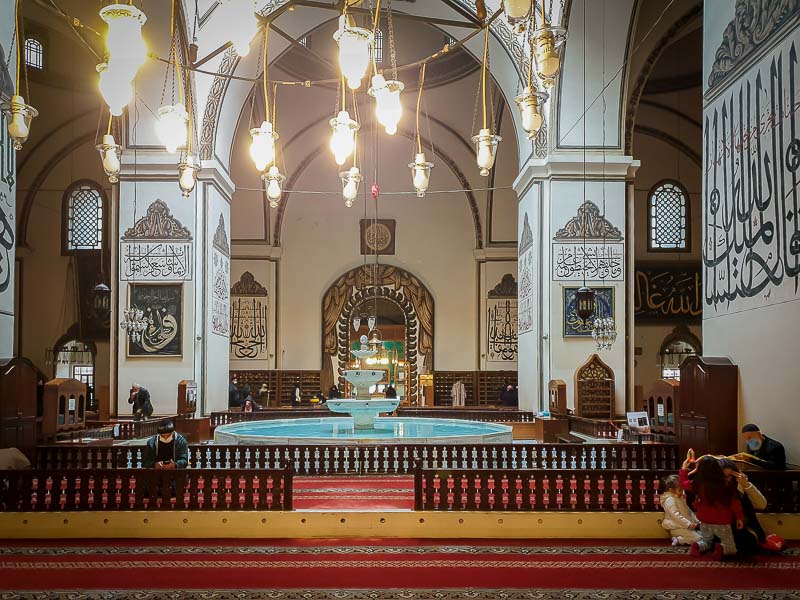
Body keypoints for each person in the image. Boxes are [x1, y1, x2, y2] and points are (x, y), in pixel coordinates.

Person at [679, 453, 744, 559]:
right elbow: (735, 503)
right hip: (722, 521)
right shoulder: (726, 484)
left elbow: (683, 483)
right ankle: (722, 549)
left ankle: (698, 546)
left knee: (706, 540)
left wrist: (684, 468)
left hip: (705, 520)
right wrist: (739, 518)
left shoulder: (697, 484)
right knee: (730, 547)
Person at [718, 457, 769, 555]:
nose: (727, 480)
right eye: (724, 477)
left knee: (749, 542)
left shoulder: (741, 485)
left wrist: (746, 484)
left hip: (743, 524)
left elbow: (762, 505)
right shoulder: (716, 487)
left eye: (730, 476)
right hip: (724, 526)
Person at [659, 474, 701, 546]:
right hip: (677, 527)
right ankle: (679, 539)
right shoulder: (670, 500)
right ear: (671, 490)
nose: (682, 492)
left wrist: (697, 520)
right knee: (699, 539)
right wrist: (688, 524)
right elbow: (675, 515)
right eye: (680, 490)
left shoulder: (680, 498)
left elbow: (689, 511)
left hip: (686, 525)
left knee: (705, 537)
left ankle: (680, 538)